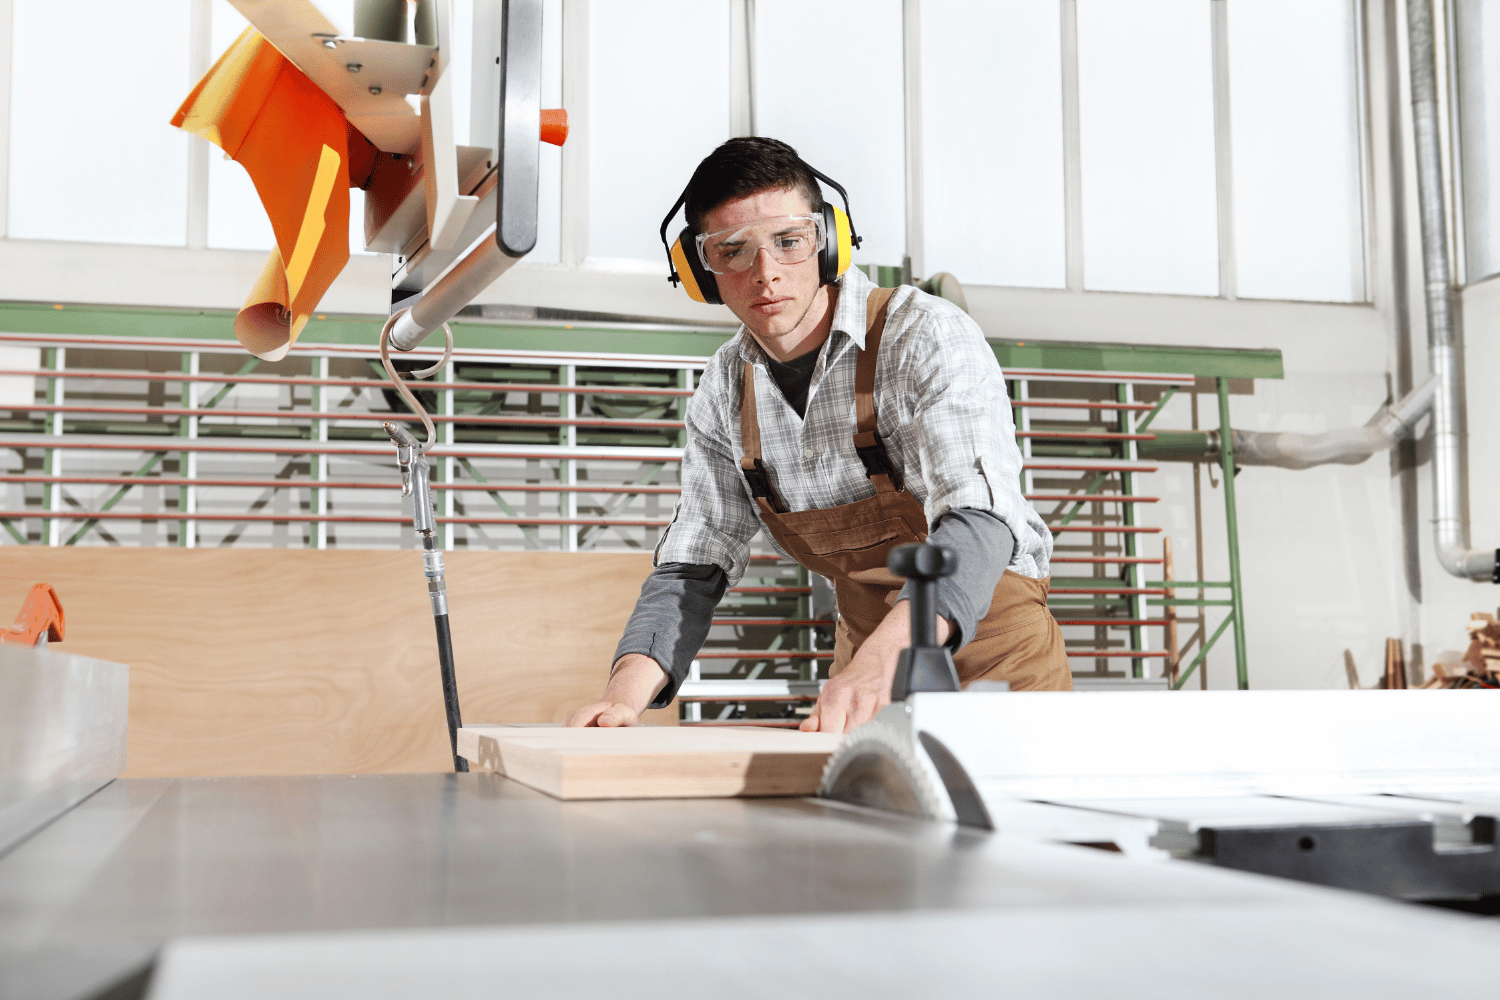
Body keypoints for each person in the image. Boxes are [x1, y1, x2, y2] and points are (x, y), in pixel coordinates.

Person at [566, 137, 1069, 735]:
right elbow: (693, 563)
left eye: (789, 240)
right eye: (733, 251)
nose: (766, 273)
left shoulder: (925, 335)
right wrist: (623, 697)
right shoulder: (725, 388)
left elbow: (981, 521)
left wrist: (885, 660)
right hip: (866, 666)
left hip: (996, 658)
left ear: (829, 241)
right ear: (700, 272)